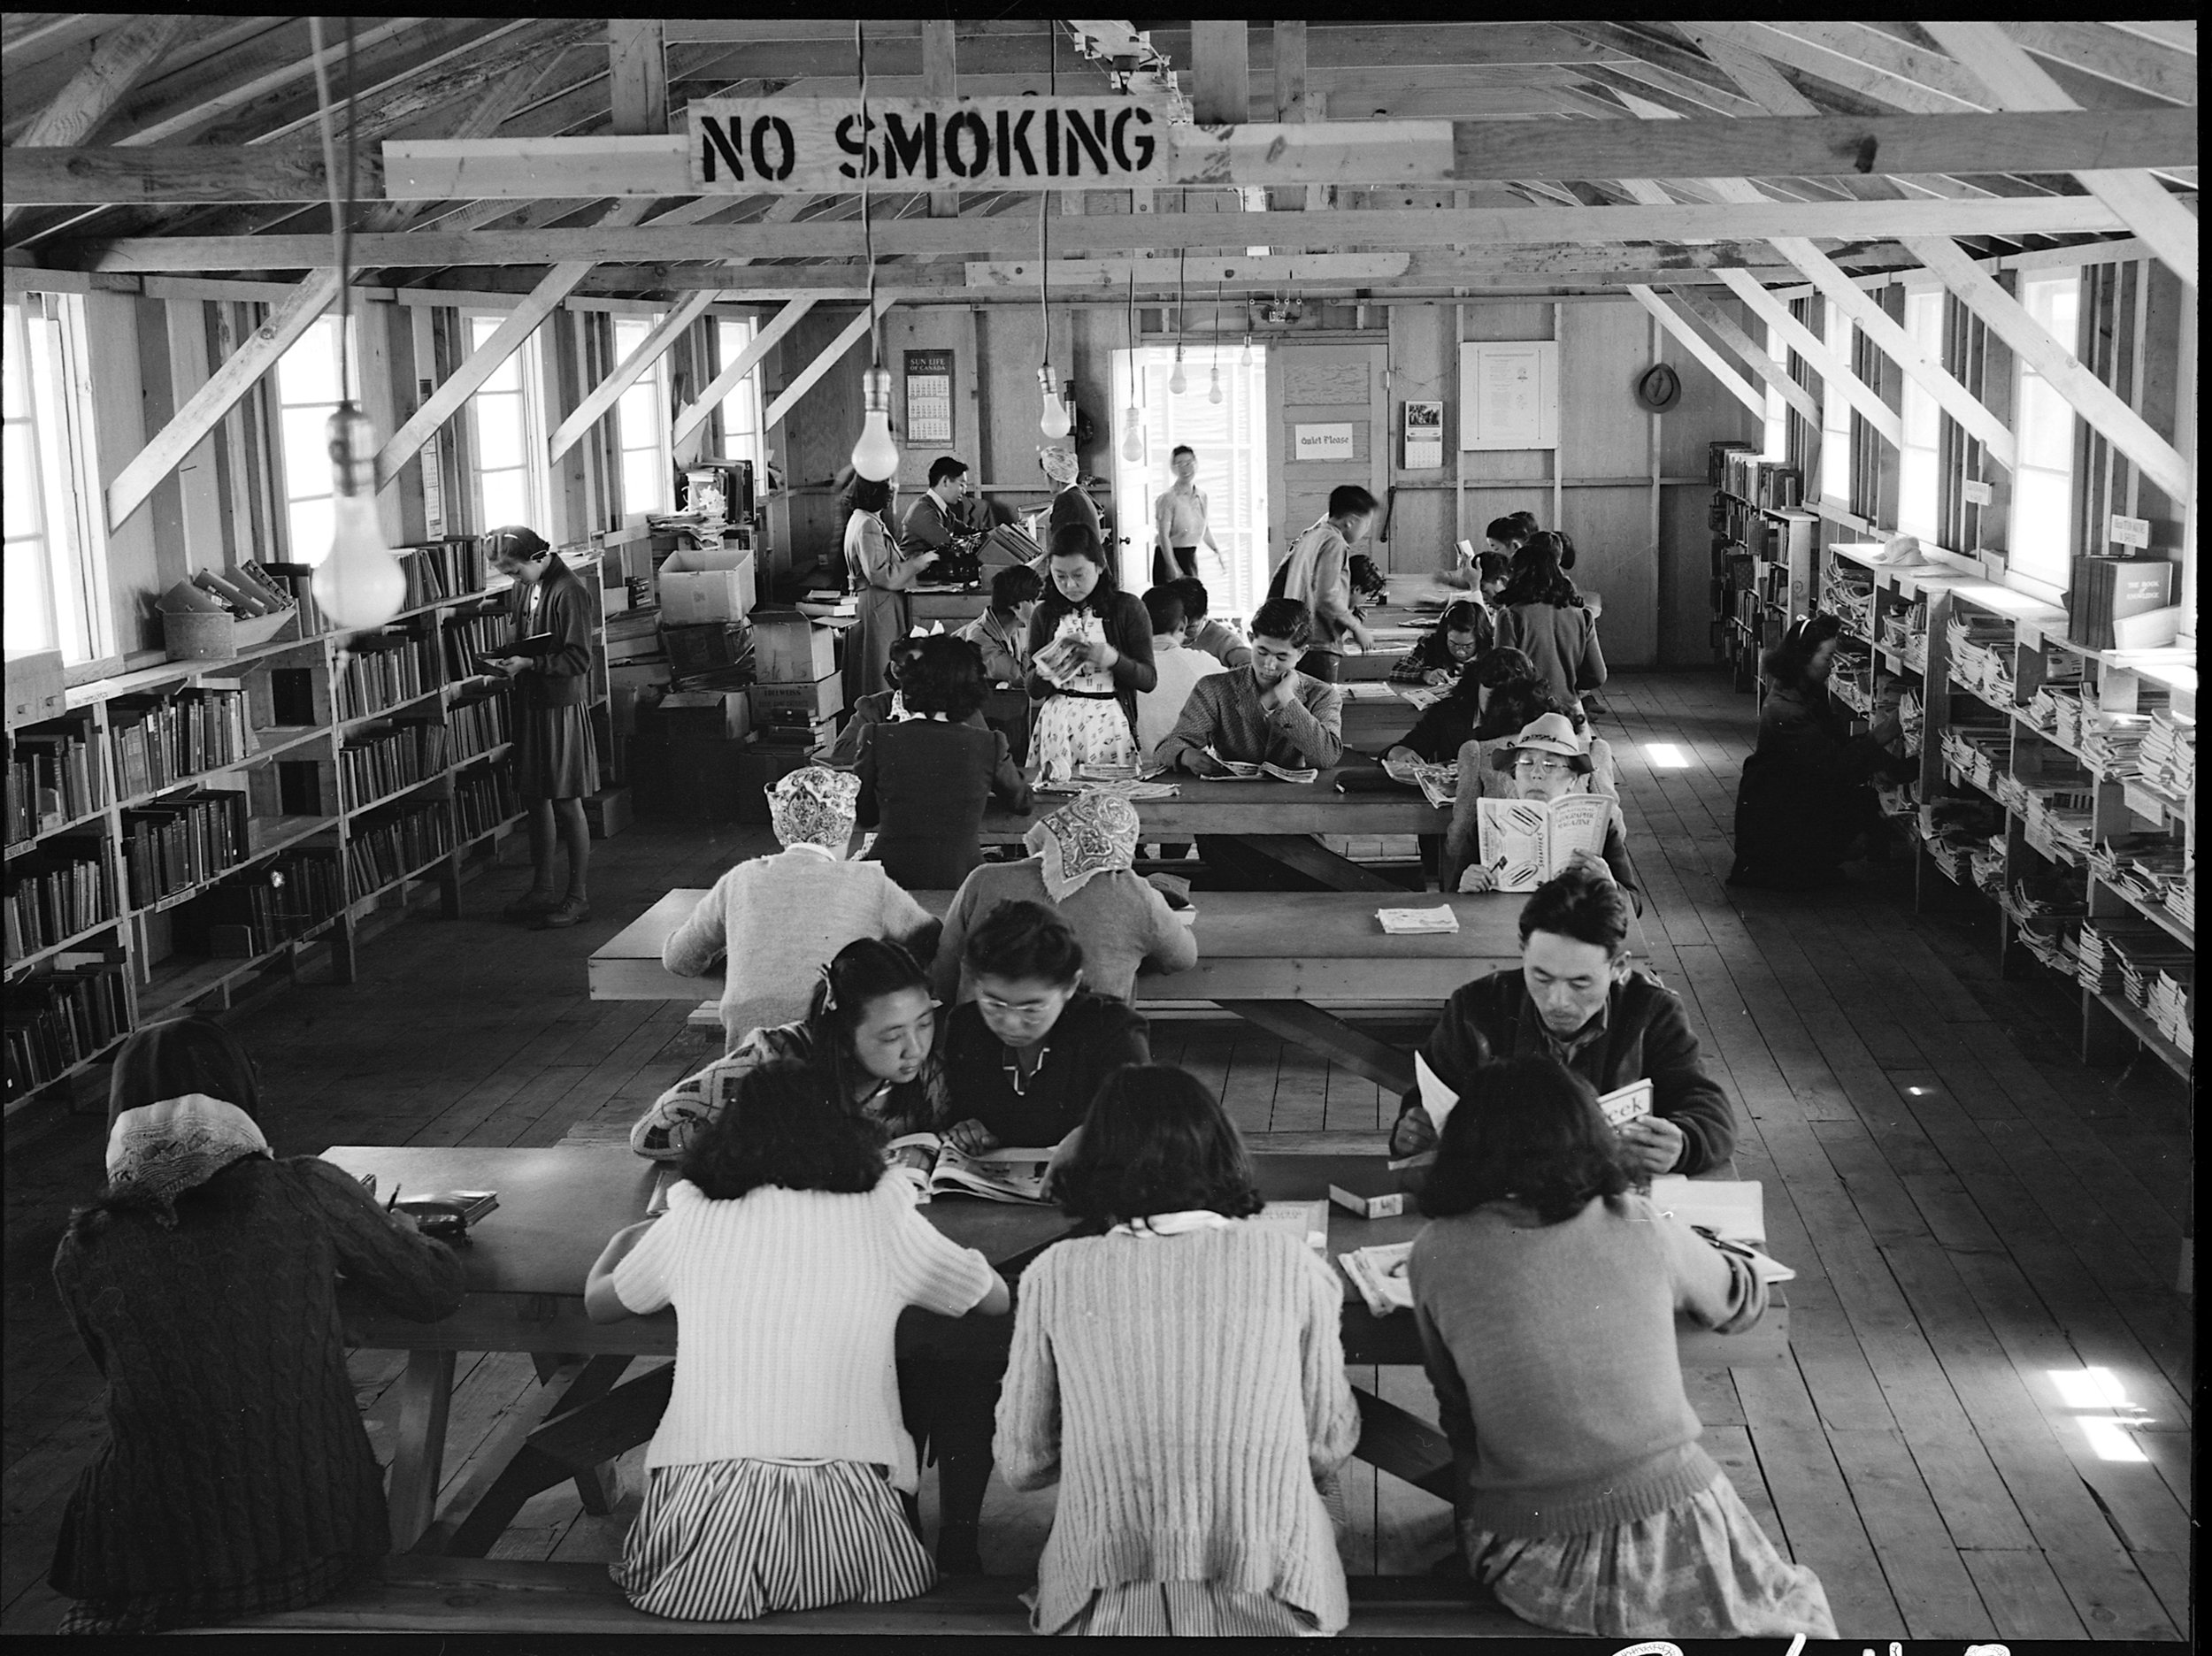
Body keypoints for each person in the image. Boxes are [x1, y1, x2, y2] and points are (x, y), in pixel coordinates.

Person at [49, 1017, 465, 1634]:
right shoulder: (305, 1190)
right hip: (311, 1539)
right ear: (238, 1100)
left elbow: (125, 1373)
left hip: (149, 1560)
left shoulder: (82, 1247)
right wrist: (396, 1230)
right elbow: (432, 1290)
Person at [1409, 1055, 1832, 1638]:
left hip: (1531, 1555)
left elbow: (1457, 1407)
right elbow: (1742, 1304)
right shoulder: (1636, 1222)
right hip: (1678, 1524)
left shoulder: (1435, 1250)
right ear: (1590, 1140)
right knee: (1793, 1607)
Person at [589, 1062, 1011, 1622]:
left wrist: (628, 1237)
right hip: (855, 1532)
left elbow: (601, 1304)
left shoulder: (690, 1217)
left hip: (704, 1524)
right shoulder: (882, 1211)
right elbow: (994, 1299)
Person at [994, 1065, 1360, 1636]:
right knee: (1320, 1490)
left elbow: (1023, 1464)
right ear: (1222, 1151)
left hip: (1100, 1606)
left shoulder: (1055, 1275)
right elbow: (1327, 1444)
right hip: (1279, 1600)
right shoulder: (1293, 1266)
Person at [1387, 867, 1735, 1174]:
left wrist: (1684, 1143)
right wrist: (1412, 1134)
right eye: (1541, 976)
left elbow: (1707, 1109)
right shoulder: (1475, 1008)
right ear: (1523, 951)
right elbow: (1425, 1102)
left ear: (1618, 967)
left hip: (1608, 1203)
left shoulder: (1653, 1014)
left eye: (1580, 982)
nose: (1557, 1001)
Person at [662, 766, 939, 1050]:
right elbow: (928, 937)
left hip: (752, 1046)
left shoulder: (739, 878)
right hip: (838, 1039)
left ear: (779, 826)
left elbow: (679, 959)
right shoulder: (869, 880)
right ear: (845, 828)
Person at [632, 936, 945, 1160]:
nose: (915, 1048)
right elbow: (650, 1135)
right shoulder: (772, 1061)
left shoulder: (925, 1070)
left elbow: (946, 1124)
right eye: (892, 1037)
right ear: (845, 1035)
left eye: (924, 1023)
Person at [931, 790, 1197, 1006]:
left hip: (984, 1040)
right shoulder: (1137, 894)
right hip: (1094, 1049)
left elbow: (944, 980)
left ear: (1058, 829)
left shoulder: (985, 879)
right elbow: (1183, 957)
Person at [939, 900, 1150, 1155]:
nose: (1010, 1023)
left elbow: (1141, 1128)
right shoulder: (965, 1028)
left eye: (1032, 1008)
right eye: (994, 1003)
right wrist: (967, 1131)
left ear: (1070, 986)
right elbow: (962, 1112)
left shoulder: (1112, 1031)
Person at [1730, 613, 1909, 891]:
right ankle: (1805, 862)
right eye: (1827, 659)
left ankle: (1814, 860)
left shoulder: (1802, 691)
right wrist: (1882, 735)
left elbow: (1835, 746)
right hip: (1778, 814)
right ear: (1803, 659)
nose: (1832, 667)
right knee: (1859, 815)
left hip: (1787, 800)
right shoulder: (1787, 710)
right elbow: (1834, 766)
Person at [482, 525, 599, 930]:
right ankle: (543, 887)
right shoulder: (526, 586)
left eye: (515, 572)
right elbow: (525, 636)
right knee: (536, 797)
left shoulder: (570, 591)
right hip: (533, 703)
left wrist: (531, 664)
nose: (513, 581)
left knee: (566, 800)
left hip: (560, 707)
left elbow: (580, 659)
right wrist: (506, 658)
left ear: (537, 558)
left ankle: (577, 896)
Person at [856, 635, 1032, 892]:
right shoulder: (989, 744)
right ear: (971, 690)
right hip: (961, 879)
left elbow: (866, 814)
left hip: (889, 879)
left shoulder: (877, 737)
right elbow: (1022, 804)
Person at [1445, 713, 1642, 913]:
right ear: (1514, 775)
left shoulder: (1599, 827)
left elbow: (1635, 905)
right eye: (1527, 763)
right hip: (1503, 931)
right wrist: (1465, 886)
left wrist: (1609, 885)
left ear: (1573, 780)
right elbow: (1454, 898)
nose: (1536, 773)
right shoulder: (1489, 824)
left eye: (1550, 765)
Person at [1154, 597, 1343, 777]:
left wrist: (1287, 697)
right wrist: (1186, 756)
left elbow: (1326, 756)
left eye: (1281, 657)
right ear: (1251, 638)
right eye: (1262, 651)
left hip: (1297, 801)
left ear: (1301, 653)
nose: (1269, 664)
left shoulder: (1322, 695)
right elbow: (1167, 747)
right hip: (1231, 799)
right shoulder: (1214, 688)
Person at [1025, 524, 1156, 778]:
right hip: (1058, 722)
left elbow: (1149, 679)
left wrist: (1114, 660)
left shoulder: (1128, 608)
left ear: (1098, 566)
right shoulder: (1044, 613)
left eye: (1079, 574)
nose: (1070, 585)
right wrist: (1044, 671)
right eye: (1059, 576)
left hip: (1108, 722)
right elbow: (1032, 689)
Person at [842, 472, 938, 705]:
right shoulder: (867, 524)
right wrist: (919, 563)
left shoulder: (863, 519)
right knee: (880, 669)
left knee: (872, 668)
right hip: (878, 605)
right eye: (888, 493)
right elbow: (880, 574)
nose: (891, 497)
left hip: (873, 603)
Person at [1270, 484, 1379, 682]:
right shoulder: (1334, 542)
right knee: (1322, 707)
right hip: (1319, 644)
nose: (1367, 529)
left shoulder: (1313, 534)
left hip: (1298, 636)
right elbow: (1326, 597)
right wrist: (1357, 627)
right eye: (1367, 523)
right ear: (1351, 522)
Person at [830, 636, 990, 769]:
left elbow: (984, 751)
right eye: (913, 667)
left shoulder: (958, 704)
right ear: (895, 670)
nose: (921, 674)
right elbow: (842, 752)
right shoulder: (874, 706)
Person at [1494, 532, 1604, 715]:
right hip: (1569, 710)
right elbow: (1598, 675)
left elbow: (1503, 675)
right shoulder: (1583, 615)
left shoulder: (1510, 616)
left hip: (1525, 712)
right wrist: (1569, 685)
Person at [958, 563, 1044, 768]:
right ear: (1019, 607)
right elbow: (1025, 682)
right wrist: (1033, 623)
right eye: (1037, 601)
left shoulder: (1003, 627)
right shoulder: (980, 641)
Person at [1134, 585, 1226, 760]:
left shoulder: (1121, 666)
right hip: (1189, 772)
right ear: (1183, 623)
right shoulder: (1204, 664)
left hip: (1131, 773)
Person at [1151, 444, 1221, 587]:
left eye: (1189, 463)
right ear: (1172, 468)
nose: (1185, 468)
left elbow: (1204, 528)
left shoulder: (1202, 496)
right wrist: (1172, 567)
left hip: (1190, 555)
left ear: (1196, 464)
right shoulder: (1168, 498)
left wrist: (1217, 551)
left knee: (1193, 604)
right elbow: (1164, 536)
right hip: (1169, 556)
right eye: (1180, 464)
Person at [1389, 599, 1493, 687]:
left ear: (1480, 639)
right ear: (1445, 634)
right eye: (1453, 644)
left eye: (1468, 646)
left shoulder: (1492, 648)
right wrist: (1425, 675)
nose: (1460, 652)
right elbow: (1397, 670)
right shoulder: (1431, 644)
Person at [1040, 444, 1106, 574]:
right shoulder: (1079, 494)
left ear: (1051, 475)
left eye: (1043, 475)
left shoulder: (1066, 500)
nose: (1044, 480)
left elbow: (1058, 544)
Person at [1168, 576, 1254, 671]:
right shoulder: (1161, 633)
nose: (1182, 636)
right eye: (1178, 628)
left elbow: (1251, 667)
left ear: (1206, 614)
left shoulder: (1225, 642)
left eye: (1190, 628)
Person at [902, 456, 984, 552]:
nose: (964, 491)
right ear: (945, 481)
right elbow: (949, 545)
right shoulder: (923, 510)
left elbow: (970, 531)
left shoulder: (940, 508)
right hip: (915, 565)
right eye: (961, 485)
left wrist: (996, 531)